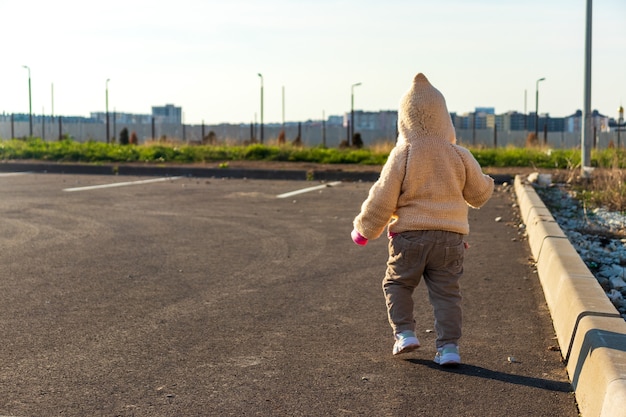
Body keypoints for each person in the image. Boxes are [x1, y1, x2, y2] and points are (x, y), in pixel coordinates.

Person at [351, 73, 494, 366]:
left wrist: (365, 229)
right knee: (446, 295)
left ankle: (405, 334)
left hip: (410, 237)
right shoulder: (459, 154)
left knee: (398, 284)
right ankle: (449, 348)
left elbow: (382, 196)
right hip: (451, 239)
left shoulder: (403, 153)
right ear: (445, 118)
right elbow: (479, 194)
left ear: (404, 120)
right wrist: (488, 180)